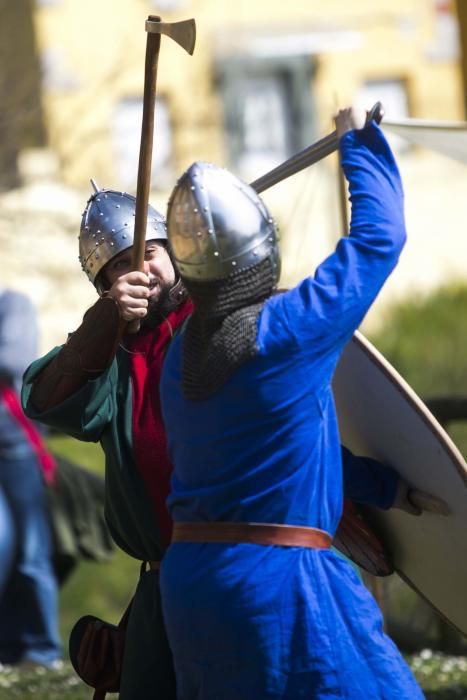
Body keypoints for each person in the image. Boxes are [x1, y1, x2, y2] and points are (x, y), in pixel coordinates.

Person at [157, 108, 430, 698]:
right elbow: (381, 239)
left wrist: (382, 487)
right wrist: (358, 140)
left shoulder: (180, 359)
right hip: (279, 585)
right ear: (260, 251)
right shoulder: (287, 330)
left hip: (192, 587)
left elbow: (269, 455)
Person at [22, 184, 192, 698]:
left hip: (243, 564)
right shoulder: (112, 358)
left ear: (175, 253)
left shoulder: (219, 324)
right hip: (163, 583)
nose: (137, 270)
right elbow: (44, 398)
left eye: (148, 252)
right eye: (117, 266)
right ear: (104, 287)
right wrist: (106, 322)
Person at [0, 288, 62, 669]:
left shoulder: (13, 302)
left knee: (31, 552)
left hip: (16, 448)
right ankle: (7, 646)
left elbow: (14, 362)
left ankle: (41, 647)